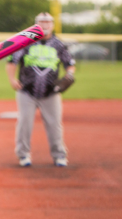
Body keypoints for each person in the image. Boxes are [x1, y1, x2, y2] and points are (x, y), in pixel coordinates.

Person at [6, 12, 76, 167]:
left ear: (52, 24)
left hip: (51, 92)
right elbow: (12, 61)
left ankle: (59, 155)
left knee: (54, 124)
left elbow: (69, 63)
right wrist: (12, 79)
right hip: (27, 91)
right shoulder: (25, 42)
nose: (45, 25)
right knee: (25, 123)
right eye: (41, 22)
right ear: (35, 24)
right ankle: (23, 155)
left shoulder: (59, 44)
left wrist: (69, 74)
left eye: (48, 22)